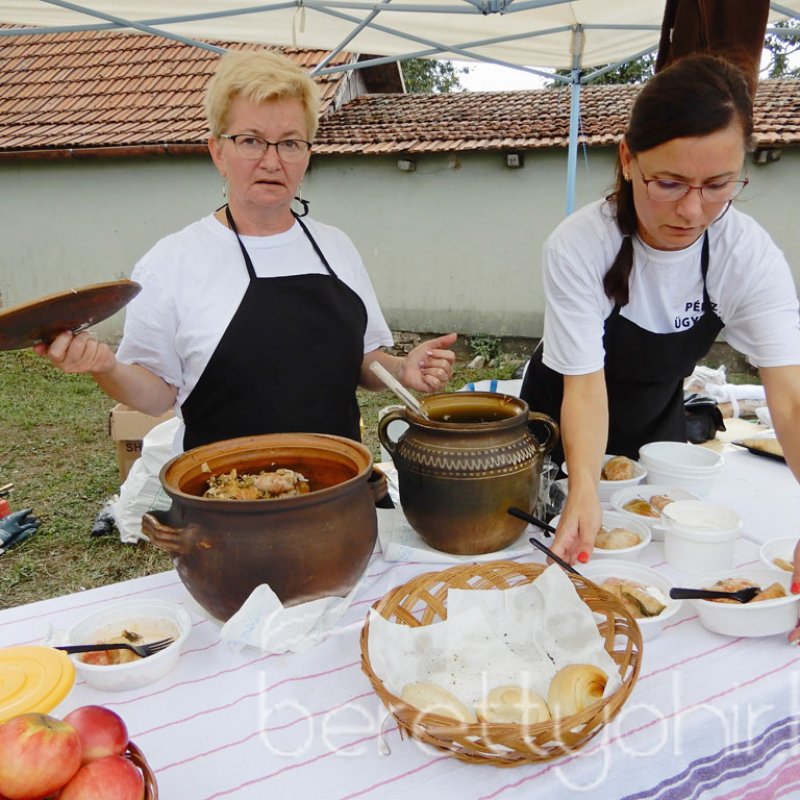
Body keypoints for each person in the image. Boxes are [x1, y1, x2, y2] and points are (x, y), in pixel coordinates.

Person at [36, 49, 456, 451]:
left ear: (307, 155)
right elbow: (157, 395)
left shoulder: (335, 247)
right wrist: (105, 366)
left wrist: (402, 369)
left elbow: (366, 360)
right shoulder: (172, 262)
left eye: (290, 143)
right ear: (218, 151)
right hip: (222, 503)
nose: (273, 161)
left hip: (336, 495)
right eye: (252, 140)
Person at [520, 54, 800, 565]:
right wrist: (583, 486)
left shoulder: (746, 254)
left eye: (719, 185)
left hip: (658, 423)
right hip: (563, 421)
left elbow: (791, 399)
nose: (692, 211)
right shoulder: (580, 245)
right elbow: (583, 386)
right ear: (628, 160)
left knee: (660, 557)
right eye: (669, 183)